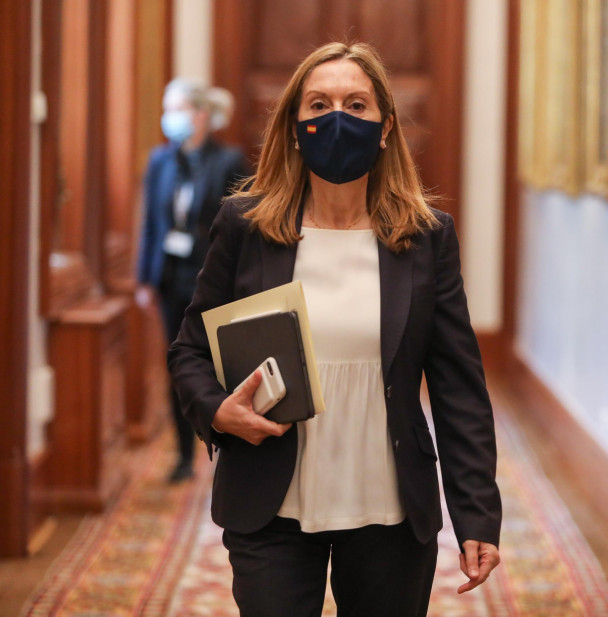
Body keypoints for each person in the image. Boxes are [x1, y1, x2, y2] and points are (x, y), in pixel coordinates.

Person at [168, 42, 501, 616]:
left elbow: (458, 387)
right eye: (318, 105)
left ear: (386, 126)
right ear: (295, 129)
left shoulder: (426, 237)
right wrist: (217, 412)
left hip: (390, 507)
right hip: (270, 502)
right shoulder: (245, 226)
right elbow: (190, 351)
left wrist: (477, 513)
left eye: (356, 104)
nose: (337, 118)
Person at [137, 78, 248, 483]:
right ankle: (183, 456)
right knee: (178, 363)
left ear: (200, 115)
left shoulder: (228, 160)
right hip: (170, 277)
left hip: (213, 279)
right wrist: (144, 279)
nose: (170, 118)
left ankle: (226, 443)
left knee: (220, 365)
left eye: (177, 108)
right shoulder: (159, 161)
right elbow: (151, 222)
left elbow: (241, 224)